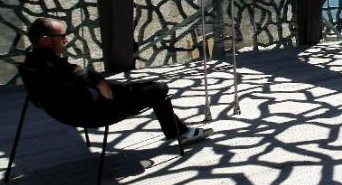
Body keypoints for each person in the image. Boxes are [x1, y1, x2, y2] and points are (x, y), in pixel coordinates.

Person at [22, 17, 209, 145]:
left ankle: (177, 130)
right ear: (46, 40)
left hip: (69, 113)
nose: (66, 39)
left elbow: (81, 75)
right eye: (61, 36)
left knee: (134, 86)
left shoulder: (32, 64)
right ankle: (179, 132)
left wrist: (101, 83)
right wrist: (100, 83)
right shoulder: (54, 68)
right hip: (96, 113)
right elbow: (82, 74)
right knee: (159, 89)